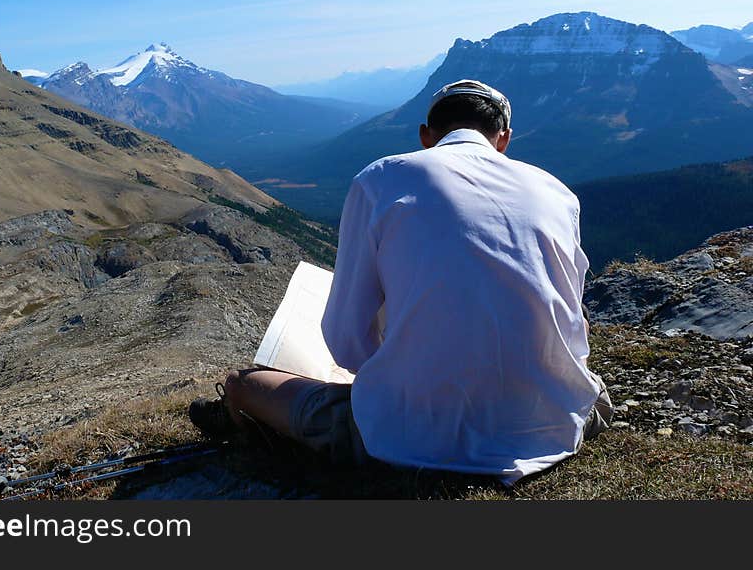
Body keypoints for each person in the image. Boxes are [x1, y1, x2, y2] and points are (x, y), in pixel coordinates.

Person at [189, 79, 613, 484]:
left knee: (245, 383)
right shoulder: (558, 193)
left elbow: (345, 341)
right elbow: (574, 323)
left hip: (409, 437)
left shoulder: (381, 180)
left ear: (426, 135)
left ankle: (243, 423)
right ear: (504, 138)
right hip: (558, 423)